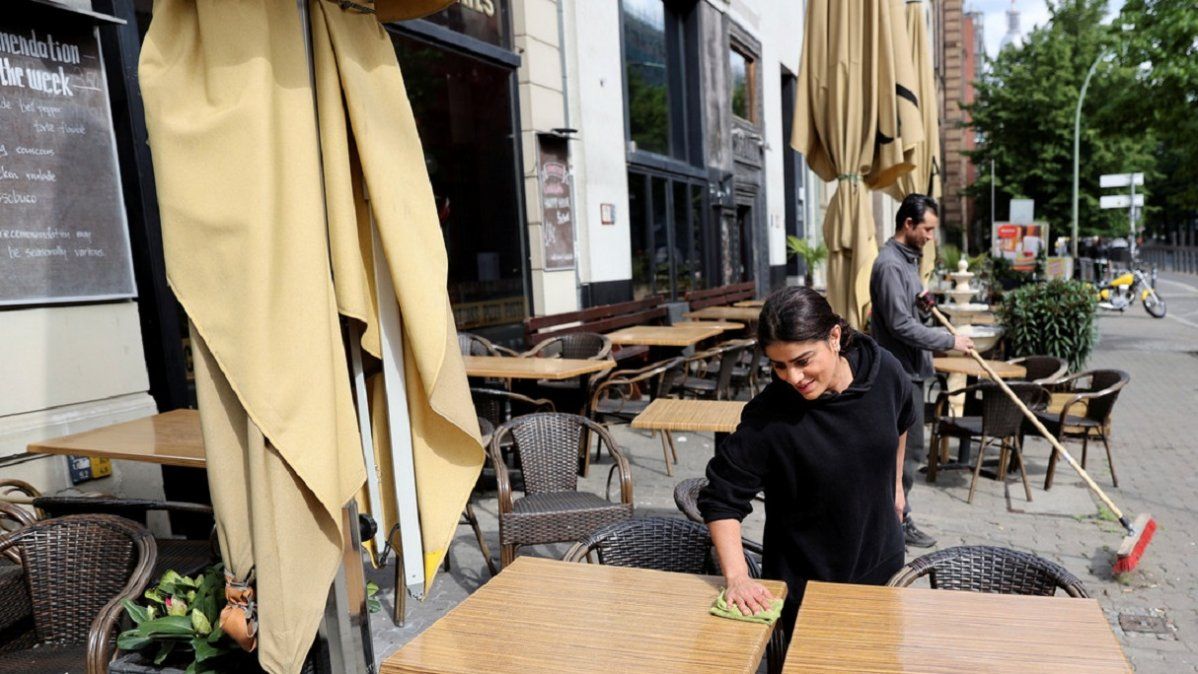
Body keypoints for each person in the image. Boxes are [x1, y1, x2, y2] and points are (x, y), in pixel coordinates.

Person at [698, 287, 916, 636]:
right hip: (806, 583)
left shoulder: (885, 371)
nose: (793, 378)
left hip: (882, 565)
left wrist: (896, 489)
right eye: (779, 365)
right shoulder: (769, 416)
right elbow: (721, 498)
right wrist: (737, 577)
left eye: (803, 361)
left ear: (834, 337)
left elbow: (902, 418)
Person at [869, 193, 973, 548]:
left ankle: (896, 517)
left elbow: (911, 315)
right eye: (927, 229)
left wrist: (926, 306)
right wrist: (949, 340)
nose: (931, 236)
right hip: (899, 374)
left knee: (909, 451)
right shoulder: (890, 266)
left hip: (912, 370)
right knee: (906, 453)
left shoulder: (908, 263)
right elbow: (898, 325)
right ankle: (897, 520)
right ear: (908, 224)